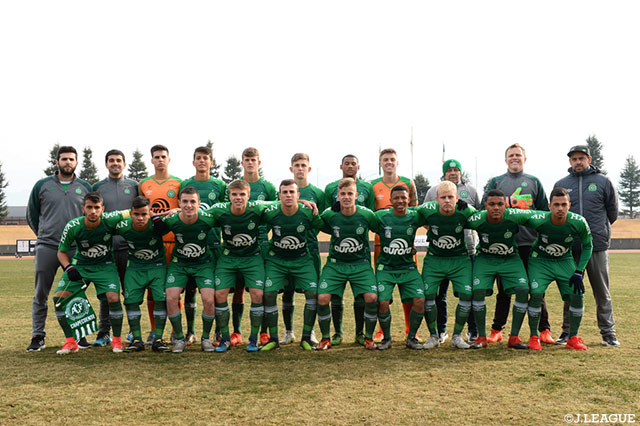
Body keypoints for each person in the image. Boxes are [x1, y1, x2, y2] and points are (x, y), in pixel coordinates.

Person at [483, 143, 554, 345]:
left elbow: (544, 214)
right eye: (511, 155)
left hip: (529, 244)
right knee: (504, 290)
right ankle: (497, 329)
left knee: (536, 288)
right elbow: (484, 208)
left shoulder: (534, 182)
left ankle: (544, 329)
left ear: (525, 159)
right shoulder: (496, 182)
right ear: (506, 159)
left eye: (518, 155)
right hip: (505, 245)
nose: (515, 158)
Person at [26, 146, 92, 352]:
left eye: (71, 159)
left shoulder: (85, 187)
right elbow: (32, 214)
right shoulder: (42, 185)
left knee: (75, 291)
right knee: (41, 293)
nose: (67, 162)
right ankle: (38, 335)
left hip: (74, 248)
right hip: (47, 246)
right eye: (64, 159)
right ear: (57, 162)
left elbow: (90, 215)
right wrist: (43, 234)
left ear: (76, 162)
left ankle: (79, 334)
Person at [554, 145, 620, 347]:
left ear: (589, 160)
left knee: (602, 292)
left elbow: (612, 212)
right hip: (570, 247)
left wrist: (598, 231)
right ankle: (567, 332)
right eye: (574, 159)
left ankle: (608, 334)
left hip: (596, 246)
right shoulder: (562, 184)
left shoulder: (603, 181)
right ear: (570, 161)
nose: (578, 162)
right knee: (570, 292)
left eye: (581, 158)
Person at [53, 192, 128, 354]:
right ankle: (70, 341)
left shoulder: (110, 219)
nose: (93, 211)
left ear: (103, 209)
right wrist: (68, 267)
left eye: (96, 207)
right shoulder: (73, 226)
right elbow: (61, 252)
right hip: (81, 266)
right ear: (83, 209)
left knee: (113, 297)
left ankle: (116, 340)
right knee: (58, 299)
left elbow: (133, 212)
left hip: (105, 266)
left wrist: (164, 214)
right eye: (89, 207)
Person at [207, 180, 273, 353]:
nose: (238, 198)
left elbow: (281, 204)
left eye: (242, 194)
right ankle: (225, 339)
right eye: (234, 194)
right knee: (220, 294)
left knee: (257, 294)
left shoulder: (257, 207)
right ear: (229, 196)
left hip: (252, 258)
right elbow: (197, 213)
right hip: (228, 257)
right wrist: (176, 210)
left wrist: (302, 201)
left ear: (248, 196)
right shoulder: (220, 210)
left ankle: (253, 339)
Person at [523, 187, 593, 350]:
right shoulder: (539, 219)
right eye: (556, 205)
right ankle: (534, 336)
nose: (560, 208)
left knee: (578, 295)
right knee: (536, 294)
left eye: (563, 204)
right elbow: (513, 216)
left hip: (564, 260)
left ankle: (573, 338)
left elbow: (588, 245)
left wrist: (579, 271)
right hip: (540, 260)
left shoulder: (578, 221)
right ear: (549, 206)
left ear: (569, 205)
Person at [316, 178, 380, 350]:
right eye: (343, 194)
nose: (346, 197)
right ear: (338, 196)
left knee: (371, 297)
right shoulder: (330, 214)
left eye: (350, 194)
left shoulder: (367, 214)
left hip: (360, 264)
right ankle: (326, 338)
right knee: (322, 298)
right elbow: (319, 223)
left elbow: (378, 227)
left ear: (356, 196)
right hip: (335, 264)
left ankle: (367, 337)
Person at [260, 179, 324, 351]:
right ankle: (274, 339)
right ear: (279, 195)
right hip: (277, 260)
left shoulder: (307, 212)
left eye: (292, 192)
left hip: (302, 259)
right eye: (285, 192)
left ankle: (307, 337)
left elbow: (325, 226)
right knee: (269, 294)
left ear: (298, 195)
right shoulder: (271, 212)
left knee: (313, 293)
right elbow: (256, 215)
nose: (288, 195)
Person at [466, 190, 532, 349]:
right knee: (478, 291)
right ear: (485, 206)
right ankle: (481, 337)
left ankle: (514, 337)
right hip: (485, 259)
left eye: (500, 204)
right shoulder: (478, 219)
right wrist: (463, 208)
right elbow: (455, 218)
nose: (496, 207)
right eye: (492, 204)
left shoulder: (514, 216)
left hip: (510, 259)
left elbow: (541, 218)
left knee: (523, 290)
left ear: (505, 206)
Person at [155, 187, 219, 353]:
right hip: (179, 264)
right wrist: (161, 215)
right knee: (171, 297)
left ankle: (206, 338)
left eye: (192, 202)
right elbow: (153, 224)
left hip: (203, 264)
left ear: (199, 203)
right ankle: (179, 338)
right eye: (185, 202)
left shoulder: (207, 218)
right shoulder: (173, 220)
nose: (189, 205)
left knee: (208, 299)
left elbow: (228, 218)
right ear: (179, 203)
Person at [424, 159, 480, 344]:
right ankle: (440, 332)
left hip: (466, 250)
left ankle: (470, 331)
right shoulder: (433, 191)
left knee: (468, 293)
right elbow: (424, 216)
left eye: (457, 170)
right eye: (450, 170)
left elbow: (479, 216)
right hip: (439, 253)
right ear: (444, 173)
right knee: (438, 295)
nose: (453, 172)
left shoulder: (471, 191)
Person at [179, 146, 227, 345]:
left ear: (211, 162)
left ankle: (217, 331)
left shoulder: (220, 185)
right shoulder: (186, 184)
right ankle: (190, 331)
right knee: (190, 290)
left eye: (205, 158)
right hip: (190, 246)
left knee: (213, 292)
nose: (201, 161)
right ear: (193, 162)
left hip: (213, 246)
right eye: (198, 158)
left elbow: (226, 212)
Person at [91, 149, 139, 347]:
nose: (115, 163)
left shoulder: (134, 186)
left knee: (130, 292)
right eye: (111, 160)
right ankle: (104, 332)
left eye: (119, 160)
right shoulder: (98, 187)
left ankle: (133, 332)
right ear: (106, 164)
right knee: (107, 293)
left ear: (124, 164)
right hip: (107, 249)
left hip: (130, 248)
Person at [231, 147, 277, 347]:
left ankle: (264, 332)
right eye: (247, 160)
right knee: (239, 289)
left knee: (261, 290)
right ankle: (236, 332)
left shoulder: (268, 187)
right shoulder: (233, 187)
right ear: (242, 162)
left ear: (259, 163)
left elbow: (276, 210)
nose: (250, 163)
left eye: (253, 160)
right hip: (237, 245)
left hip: (261, 244)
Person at [370, 148, 418, 342]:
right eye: (385, 159)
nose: (389, 162)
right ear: (380, 163)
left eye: (392, 159)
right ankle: (381, 331)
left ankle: (409, 329)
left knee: (409, 291)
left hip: (406, 245)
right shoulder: (372, 185)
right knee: (383, 292)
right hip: (381, 246)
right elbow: (370, 215)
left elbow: (415, 211)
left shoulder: (408, 183)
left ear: (397, 162)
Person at [114, 196, 171, 352]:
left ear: (150, 213)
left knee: (161, 299)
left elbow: (178, 220)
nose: (140, 218)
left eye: (144, 214)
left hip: (157, 266)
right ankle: (137, 339)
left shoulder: (157, 225)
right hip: (134, 267)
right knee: (130, 301)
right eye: (137, 214)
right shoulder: (123, 226)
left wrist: (168, 213)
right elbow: (104, 224)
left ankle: (158, 339)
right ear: (131, 213)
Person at [373, 186, 426, 350]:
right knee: (382, 302)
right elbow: (361, 217)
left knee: (420, 301)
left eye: (403, 198)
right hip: (386, 269)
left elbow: (434, 213)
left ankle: (411, 338)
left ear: (408, 199)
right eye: (396, 198)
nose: (400, 201)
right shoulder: (381, 216)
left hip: (408, 268)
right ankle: (386, 338)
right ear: (391, 200)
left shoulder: (415, 215)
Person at [138, 145, 181, 345]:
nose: (160, 160)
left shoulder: (178, 183)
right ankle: (154, 330)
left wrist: (174, 211)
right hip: (153, 243)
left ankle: (175, 330)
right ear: (152, 160)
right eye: (157, 157)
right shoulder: (144, 184)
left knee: (174, 288)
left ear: (169, 159)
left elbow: (183, 207)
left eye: (163, 156)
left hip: (173, 241)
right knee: (152, 289)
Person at [285, 153, 324, 346]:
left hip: (310, 249)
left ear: (308, 169)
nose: (300, 168)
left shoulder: (318, 193)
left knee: (312, 292)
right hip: (287, 250)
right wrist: (300, 202)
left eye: (303, 165)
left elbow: (322, 219)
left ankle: (311, 331)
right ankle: (288, 331)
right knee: (287, 291)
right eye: (296, 165)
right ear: (291, 169)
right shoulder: (284, 191)